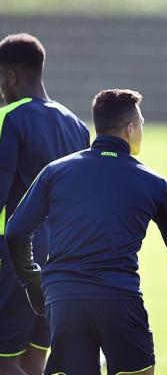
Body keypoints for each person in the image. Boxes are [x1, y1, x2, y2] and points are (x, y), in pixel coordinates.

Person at [5, 89, 167, 375]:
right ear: (130, 129)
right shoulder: (153, 182)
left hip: (64, 303)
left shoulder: (55, 172)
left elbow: (15, 232)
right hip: (119, 302)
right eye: (141, 125)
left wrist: (33, 283)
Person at [0, 33, 90, 374]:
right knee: (34, 359)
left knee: (4, 361)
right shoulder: (77, 126)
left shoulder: (9, 118)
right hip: (61, 258)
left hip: (13, 258)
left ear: (10, 77)